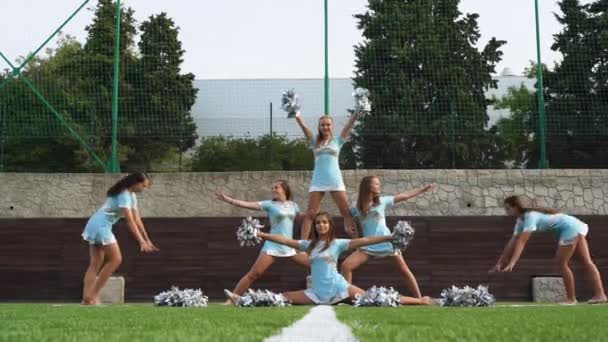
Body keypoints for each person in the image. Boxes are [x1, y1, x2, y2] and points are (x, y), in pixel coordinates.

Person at [225, 212, 435, 306]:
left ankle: (420, 301)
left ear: (329, 226)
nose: (321, 225)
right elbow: (284, 240)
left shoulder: (339, 243)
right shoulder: (308, 246)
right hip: (316, 293)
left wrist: (391, 236)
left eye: (324, 223)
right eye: (318, 223)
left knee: (375, 298)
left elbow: (366, 239)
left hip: (338, 288)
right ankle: (241, 300)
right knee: (281, 297)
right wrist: (261, 234)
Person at [490, 195, 607, 305]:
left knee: (561, 263)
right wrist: (500, 262)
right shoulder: (520, 221)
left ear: (515, 207)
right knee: (586, 262)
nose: (506, 211)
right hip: (574, 225)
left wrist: (512, 262)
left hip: (570, 228)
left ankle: (571, 298)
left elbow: (522, 242)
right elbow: (512, 242)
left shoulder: (530, 217)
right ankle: (600, 295)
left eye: (508, 208)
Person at [216, 180, 309, 305]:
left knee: (313, 264)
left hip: (289, 245)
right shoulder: (269, 204)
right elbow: (247, 204)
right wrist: (228, 200)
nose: (273, 190)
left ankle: (334, 289)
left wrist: (311, 215)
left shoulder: (293, 205)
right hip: (273, 245)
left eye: (276, 187)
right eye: (273, 188)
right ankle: (231, 300)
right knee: (254, 274)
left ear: (284, 189)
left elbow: (301, 219)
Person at [342, 176, 434, 298]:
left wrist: (423, 190)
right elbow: (346, 215)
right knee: (346, 266)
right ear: (368, 186)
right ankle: (348, 297)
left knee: (404, 271)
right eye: (377, 184)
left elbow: (404, 196)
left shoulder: (382, 202)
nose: (379, 186)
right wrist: (349, 227)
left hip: (388, 243)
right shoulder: (357, 209)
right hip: (368, 245)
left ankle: (420, 299)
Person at [81, 173, 158, 305]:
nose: (144, 189)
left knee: (96, 263)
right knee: (116, 259)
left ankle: (86, 299)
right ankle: (91, 296)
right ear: (135, 183)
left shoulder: (131, 196)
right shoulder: (123, 194)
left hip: (95, 225)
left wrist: (147, 239)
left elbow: (137, 219)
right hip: (100, 226)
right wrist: (140, 241)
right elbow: (130, 221)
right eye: (143, 185)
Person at [295, 111, 360, 239]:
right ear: (319, 127)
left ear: (332, 126)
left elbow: (349, 125)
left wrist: (357, 112)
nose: (325, 127)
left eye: (328, 125)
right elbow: (304, 126)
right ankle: (303, 245)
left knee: (346, 213)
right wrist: (296, 112)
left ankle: (357, 244)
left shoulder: (338, 141)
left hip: (335, 180)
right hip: (318, 181)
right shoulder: (314, 141)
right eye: (323, 125)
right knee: (311, 213)